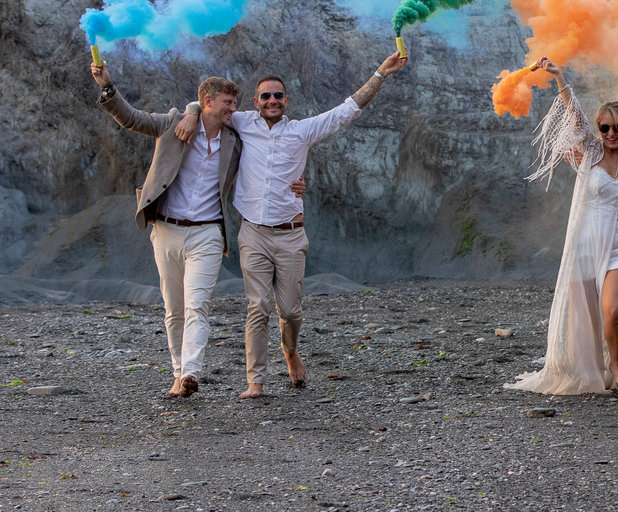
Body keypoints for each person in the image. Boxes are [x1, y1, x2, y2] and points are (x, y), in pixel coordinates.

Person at [177, 51, 408, 399]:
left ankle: (290, 350)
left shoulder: (301, 131)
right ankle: (255, 382)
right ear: (255, 102)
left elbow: (346, 110)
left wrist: (381, 73)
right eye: (265, 96)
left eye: (278, 96)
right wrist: (193, 113)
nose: (272, 101)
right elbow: (208, 105)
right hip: (252, 232)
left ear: (286, 100)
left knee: (290, 310)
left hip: (290, 234)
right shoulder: (240, 122)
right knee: (257, 307)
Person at [506, 57, 618, 394]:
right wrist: (561, 77)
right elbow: (574, 115)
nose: (609, 133)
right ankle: (590, 366)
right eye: (604, 127)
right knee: (587, 318)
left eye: (617, 128)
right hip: (586, 244)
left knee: (613, 310)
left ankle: (616, 362)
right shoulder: (590, 151)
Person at [91, 61, 241, 398]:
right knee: (173, 307)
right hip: (167, 230)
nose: (234, 108)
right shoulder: (174, 123)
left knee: (197, 304)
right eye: (228, 102)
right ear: (208, 101)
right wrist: (107, 87)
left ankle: (191, 371)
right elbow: (132, 118)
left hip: (208, 233)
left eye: (235, 103)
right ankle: (177, 374)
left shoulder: (236, 137)